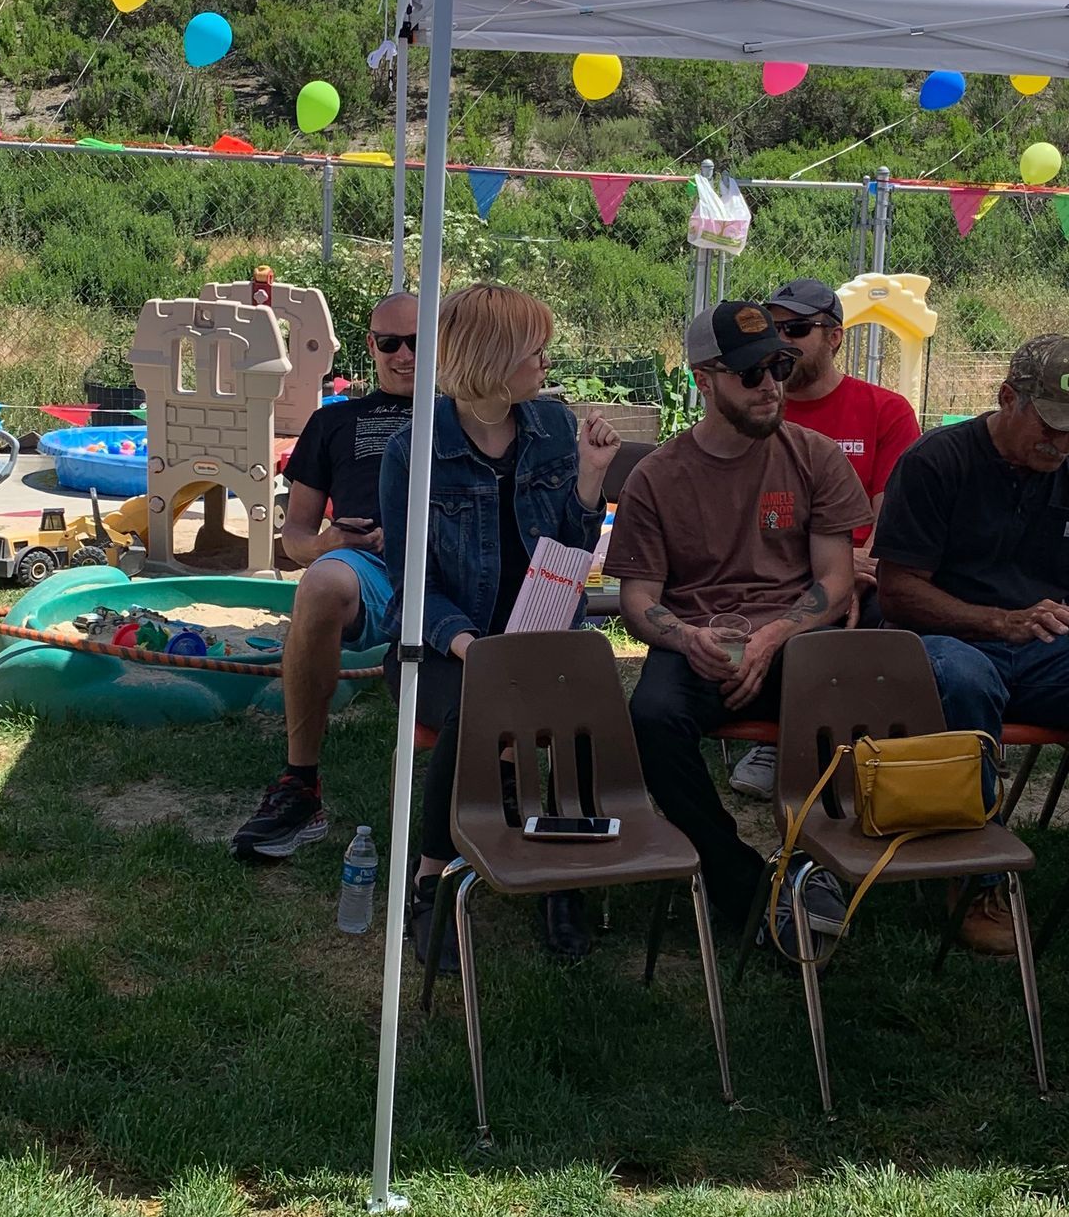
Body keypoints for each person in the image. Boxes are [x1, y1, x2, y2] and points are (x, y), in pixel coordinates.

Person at [609, 301, 870, 947]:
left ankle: (821, 864)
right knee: (651, 717)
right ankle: (745, 888)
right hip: (701, 640)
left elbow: (836, 580)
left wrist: (776, 635)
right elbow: (638, 600)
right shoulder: (657, 477)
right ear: (704, 379)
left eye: (780, 367)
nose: (773, 386)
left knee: (848, 688)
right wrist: (685, 637)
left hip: (793, 640)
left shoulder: (814, 457)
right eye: (752, 374)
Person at [379, 283, 621, 965]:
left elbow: (573, 554)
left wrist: (591, 482)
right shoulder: (413, 450)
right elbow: (409, 586)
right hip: (442, 645)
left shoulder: (550, 428)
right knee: (475, 710)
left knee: (586, 703)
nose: (546, 362)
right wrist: (470, 646)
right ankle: (430, 882)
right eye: (533, 350)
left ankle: (563, 870)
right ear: (491, 357)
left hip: (541, 640)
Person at [873, 334, 1069, 958]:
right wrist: (1000, 622)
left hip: (1044, 649)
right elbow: (897, 591)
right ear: (1007, 398)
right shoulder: (936, 462)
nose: (1065, 444)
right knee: (967, 680)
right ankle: (973, 876)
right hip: (939, 641)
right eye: (1052, 426)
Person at [231, 292, 419, 861]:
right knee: (319, 582)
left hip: (453, 562)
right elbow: (294, 539)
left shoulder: (463, 411)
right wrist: (332, 542)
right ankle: (300, 782)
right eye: (390, 342)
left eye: (418, 341)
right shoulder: (333, 421)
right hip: (367, 565)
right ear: (371, 347)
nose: (404, 354)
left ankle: (493, 789)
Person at [725, 276, 923, 799]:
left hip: (860, 568)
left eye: (797, 328)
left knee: (881, 612)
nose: (781, 340)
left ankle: (865, 747)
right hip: (773, 569)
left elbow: (894, 517)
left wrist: (850, 570)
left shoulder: (885, 410)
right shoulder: (754, 405)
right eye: (774, 328)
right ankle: (785, 735)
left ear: (835, 337)